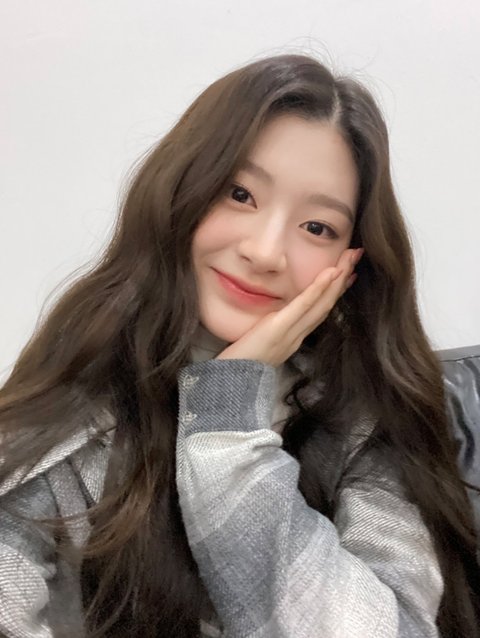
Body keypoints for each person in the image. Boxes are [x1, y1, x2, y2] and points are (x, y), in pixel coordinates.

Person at [0, 53, 478, 638]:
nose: (266, 251)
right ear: (181, 189)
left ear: (351, 262)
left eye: (317, 227)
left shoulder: (366, 421)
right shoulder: (73, 412)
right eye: (239, 193)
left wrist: (227, 421)